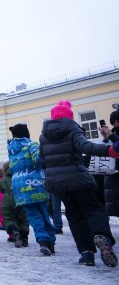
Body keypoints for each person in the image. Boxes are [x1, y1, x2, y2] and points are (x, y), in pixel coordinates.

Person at [40, 100, 119, 267]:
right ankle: (101, 235)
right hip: (78, 178)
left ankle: (86, 253)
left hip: (57, 183)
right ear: (69, 116)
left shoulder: (43, 135)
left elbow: (42, 158)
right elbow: (85, 146)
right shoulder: (72, 128)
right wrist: (109, 151)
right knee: (93, 208)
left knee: (74, 216)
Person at [8, 123, 56, 256]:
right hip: (35, 183)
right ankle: (49, 241)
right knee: (43, 213)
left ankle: (43, 241)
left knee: (33, 216)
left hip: (19, 186)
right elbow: (38, 160)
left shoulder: (11, 148)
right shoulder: (31, 145)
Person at [0, 159, 30, 247]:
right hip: (20, 197)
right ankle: (24, 238)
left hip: (7, 199)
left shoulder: (2, 180)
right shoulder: (21, 176)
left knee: (9, 218)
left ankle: (15, 232)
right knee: (23, 219)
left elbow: (1, 189)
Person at [100, 109, 119, 218]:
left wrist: (111, 134)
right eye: (113, 122)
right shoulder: (113, 132)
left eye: (118, 121)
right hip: (114, 172)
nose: (116, 124)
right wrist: (105, 137)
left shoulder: (113, 133)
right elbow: (108, 148)